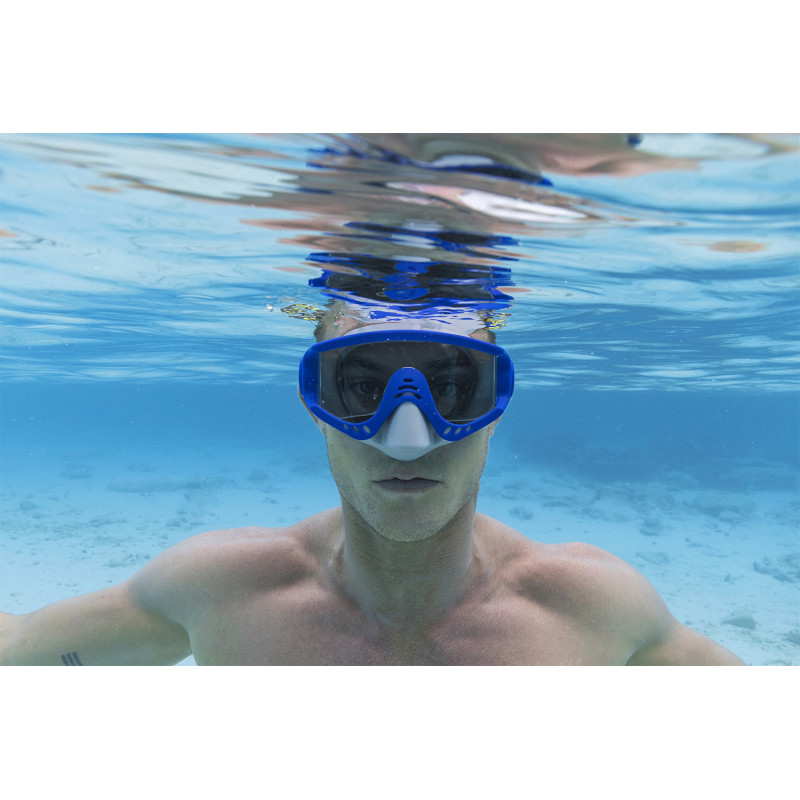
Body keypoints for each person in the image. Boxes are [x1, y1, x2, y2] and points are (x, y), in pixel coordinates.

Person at [0, 312, 744, 666]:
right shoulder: (218, 590)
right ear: (314, 406)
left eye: (453, 388)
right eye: (360, 389)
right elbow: (20, 647)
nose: (406, 436)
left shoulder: (596, 610)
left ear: (495, 409)